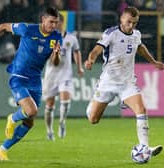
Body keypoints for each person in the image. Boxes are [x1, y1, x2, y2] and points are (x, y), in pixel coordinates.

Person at [84, 6, 163, 159]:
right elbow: (96, 50)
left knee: (141, 109)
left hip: (127, 83)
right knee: (93, 119)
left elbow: (140, 48)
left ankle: (145, 147)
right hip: (108, 82)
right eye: (128, 22)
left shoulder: (136, 34)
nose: (131, 25)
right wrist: (90, 60)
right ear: (121, 19)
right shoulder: (111, 33)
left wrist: (153, 62)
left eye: (134, 23)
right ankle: (93, 104)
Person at [0, 7, 62, 161]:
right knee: (31, 111)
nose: (53, 25)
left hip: (35, 80)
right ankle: (12, 118)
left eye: (56, 22)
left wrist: (56, 54)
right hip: (19, 76)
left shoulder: (57, 37)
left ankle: (1, 150)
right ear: (43, 19)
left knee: (29, 122)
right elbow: (5, 26)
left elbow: (55, 63)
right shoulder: (27, 29)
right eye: (51, 22)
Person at [43, 14, 84, 140]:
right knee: (50, 106)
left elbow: (76, 51)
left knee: (65, 101)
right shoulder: (49, 38)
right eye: (53, 22)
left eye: (58, 22)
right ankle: (49, 130)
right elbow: (52, 61)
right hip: (51, 75)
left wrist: (79, 67)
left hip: (65, 75)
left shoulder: (71, 38)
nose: (56, 25)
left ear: (63, 22)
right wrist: (55, 54)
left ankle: (62, 122)